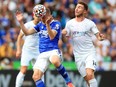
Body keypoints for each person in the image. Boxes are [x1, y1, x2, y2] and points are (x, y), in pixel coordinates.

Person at [16, 4, 74, 87]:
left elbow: (52, 36)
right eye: (41, 17)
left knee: (55, 61)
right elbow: (27, 33)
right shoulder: (40, 25)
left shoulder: (56, 24)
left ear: (49, 16)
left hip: (53, 50)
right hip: (42, 54)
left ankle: (69, 82)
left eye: (44, 16)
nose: (42, 18)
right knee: (35, 76)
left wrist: (47, 25)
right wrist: (21, 22)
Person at [62, 1, 105, 87]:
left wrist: (101, 38)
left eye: (79, 7)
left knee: (90, 75)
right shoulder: (69, 24)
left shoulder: (90, 23)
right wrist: (63, 35)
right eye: (76, 7)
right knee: (88, 81)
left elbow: (98, 36)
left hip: (89, 53)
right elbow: (65, 41)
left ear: (85, 11)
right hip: (78, 56)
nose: (76, 9)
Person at [15, 5, 44, 87]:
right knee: (23, 70)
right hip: (27, 51)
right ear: (33, 15)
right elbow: (20, 37)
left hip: (38, 51)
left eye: (39, 15)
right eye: (36, 15)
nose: (38, 17)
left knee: (39, 72)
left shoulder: (43, 26)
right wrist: (18, 49)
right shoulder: (28, 25)